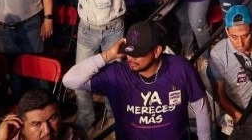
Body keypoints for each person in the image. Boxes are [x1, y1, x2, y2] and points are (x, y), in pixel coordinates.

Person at [61, 19, 212, 140]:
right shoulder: (117, 74)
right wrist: (108, 55)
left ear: (156, 51)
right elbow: (70, 80)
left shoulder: (180, 68)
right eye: (128, 52)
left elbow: (200, 107)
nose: (131, 58)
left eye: (138, 53)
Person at [55, 0, 126, 131]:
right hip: (86, 28)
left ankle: (113, 118)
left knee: (113, 76)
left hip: (113, 28)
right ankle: (86, 118)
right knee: (81, 75)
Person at [208, 4, 252, 135]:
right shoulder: (218, 54)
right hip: (241, 112)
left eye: (245, 35)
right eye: (234, 36)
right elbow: (220, 97)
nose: (240, 43)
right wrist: (243, 120)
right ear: (226, 31)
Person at [0, 87, 84, 140]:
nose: (47, 130)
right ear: (21, 127)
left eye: (52, 118)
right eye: (37, 124)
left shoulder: (74, 135)